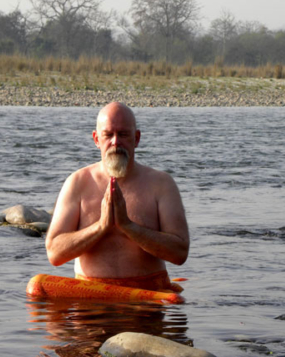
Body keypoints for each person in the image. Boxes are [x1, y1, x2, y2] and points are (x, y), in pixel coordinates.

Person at [45, 102, 189, 292]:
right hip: (90, 300)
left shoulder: (161, 184)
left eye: (123, 134)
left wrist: (129, 227)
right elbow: (54, 253)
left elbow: (180, 253)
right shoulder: (77, 182)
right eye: (108, 135)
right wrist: (100, 227)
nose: (115, 142)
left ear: (136, 138)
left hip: (147, 300)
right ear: (96, 139)